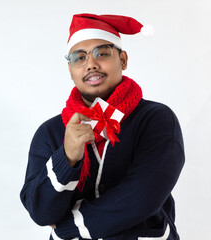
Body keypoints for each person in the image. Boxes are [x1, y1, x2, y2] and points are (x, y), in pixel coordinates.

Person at [20, 13, 185, 240]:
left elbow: (143, 197)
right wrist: (66, 159)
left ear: (123, 60)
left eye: (102, 53)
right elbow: (40, 211)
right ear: (70, 70)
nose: (91, 64)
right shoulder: (50, 132)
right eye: (79, 58)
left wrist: (71, 227)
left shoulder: (156, 119)